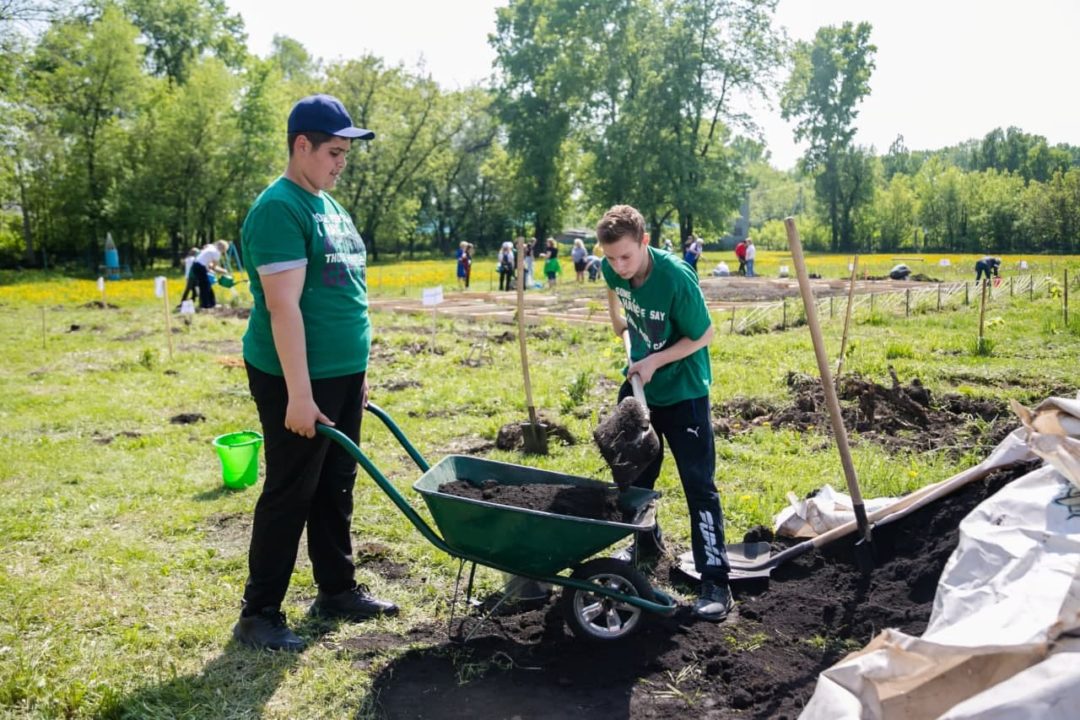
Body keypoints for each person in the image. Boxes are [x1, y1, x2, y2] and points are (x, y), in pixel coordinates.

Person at [232, 93, 398, 652]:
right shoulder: (280, 209)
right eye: (332, 152)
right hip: (294, 376)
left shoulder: (329, 204)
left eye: (345, 153)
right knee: (291, 490)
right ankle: (259, 615)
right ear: (300, 146)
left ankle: (337, 589)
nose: (340, 163)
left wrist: (358, 374)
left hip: (341, 373)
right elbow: (284, 309)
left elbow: (347, 296)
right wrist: (299, 396)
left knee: (335, 485)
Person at [596, 204, 733, 622]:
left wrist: (656, 360)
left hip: (685, 392)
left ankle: (715, 578)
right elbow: (614, 293)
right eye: (612, 257)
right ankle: (644, 543)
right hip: (642, 389)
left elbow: (705, 333)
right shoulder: (610, 270)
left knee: (698, 484)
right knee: (634, 474)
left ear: (645, 242)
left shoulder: (675, 277)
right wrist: (618, 319)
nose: (619, 266)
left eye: (627, 256)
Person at [192, 240, 230, 309]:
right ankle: (205, 306)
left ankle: (211, 304)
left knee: (206, 285)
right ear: (223, 249)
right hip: (200, 267)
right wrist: (223, 271)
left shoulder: (211, 247)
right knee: (205, 286)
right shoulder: (217, 253)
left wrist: (208, 268)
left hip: (196, 265)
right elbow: (214, 267)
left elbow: (205, 248)